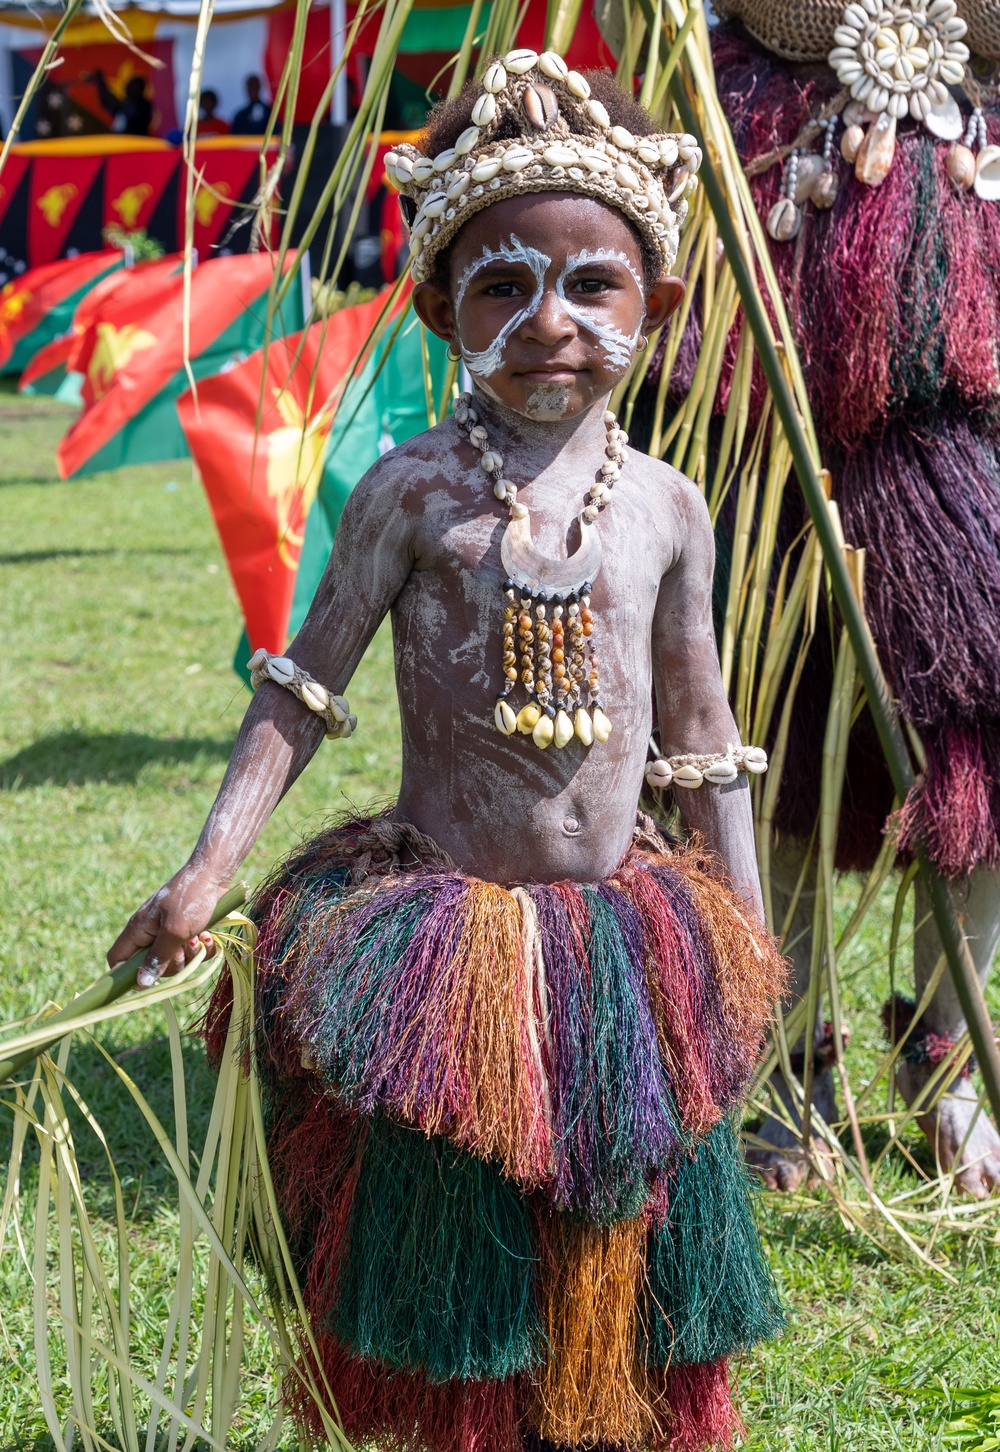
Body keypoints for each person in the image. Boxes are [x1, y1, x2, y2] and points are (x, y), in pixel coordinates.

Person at [109, 53, 787, 1452]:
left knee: (620, 1258)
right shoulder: (413, 491)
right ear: (438, 310)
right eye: (504, 286)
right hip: (445, 949)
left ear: (654, 310)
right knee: (457, 1283)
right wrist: (204, 870)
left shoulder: (667, 509)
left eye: (592, 286)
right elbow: (299, 691)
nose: (551, 322)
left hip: (622, 944)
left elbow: (708, 742)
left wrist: (752, 947)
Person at [699, 0, 1000, 1199]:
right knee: (765, 737)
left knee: (981, 747)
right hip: (766, 404)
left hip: (970, 413)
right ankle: (786, 1066)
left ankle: (953, 1064)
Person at [89, 72, 153, 137]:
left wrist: (100, 82)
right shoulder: (145, 105)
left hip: (128, 142)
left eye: (131, 86)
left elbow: (111, 103)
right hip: (134, 141)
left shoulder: (135, 104)